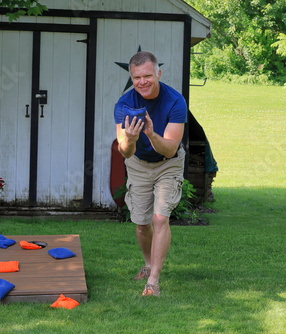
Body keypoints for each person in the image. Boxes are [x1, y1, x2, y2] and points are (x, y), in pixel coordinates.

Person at [114, 51, 187, 296]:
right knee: (141, 223)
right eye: (136, 77)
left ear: (158, 73)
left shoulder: (175, 101)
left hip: (168, 163)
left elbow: (170, 148)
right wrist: (131, 140)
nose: (142, 82)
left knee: (159, 219)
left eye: (147, 75)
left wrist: (151, 134)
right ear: (131, 78)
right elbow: (124, 152)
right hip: (138, 163)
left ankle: (153, 281)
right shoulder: (124, 104)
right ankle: (147, 264)